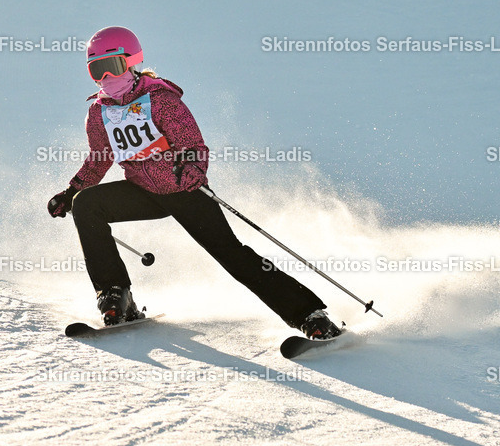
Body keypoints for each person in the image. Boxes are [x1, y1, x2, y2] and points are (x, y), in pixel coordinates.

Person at [47, 26, 341, 339]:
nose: (106, 78)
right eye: (97, 71)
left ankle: (310, 315)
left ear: (131, 62)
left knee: (232, 254)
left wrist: (191, 169)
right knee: (87, 205)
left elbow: (192, 144)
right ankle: (115, 296)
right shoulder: (99, 112)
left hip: (183, 188)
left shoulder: (159, 100)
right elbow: (100, 157)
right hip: (142, 191)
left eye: (113, 67)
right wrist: (71, 192)